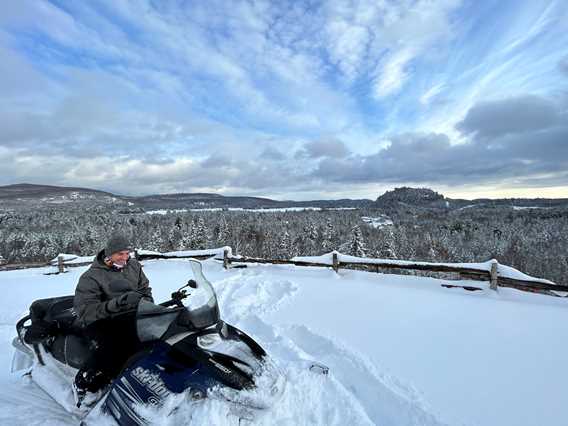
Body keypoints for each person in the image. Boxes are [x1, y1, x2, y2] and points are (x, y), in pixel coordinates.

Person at [72, 234, 153, 406]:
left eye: (127, 253)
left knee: (155, 337)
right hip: (102, 319)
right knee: (114, 348)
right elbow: (85, 311)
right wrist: (115, 304)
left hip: (131, 315)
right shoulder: (91, 277)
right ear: (109, 254)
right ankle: (86, 385)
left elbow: (145, 288)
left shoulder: (134, 266)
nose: (124, 258)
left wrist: (148, 304)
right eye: (120, 254)